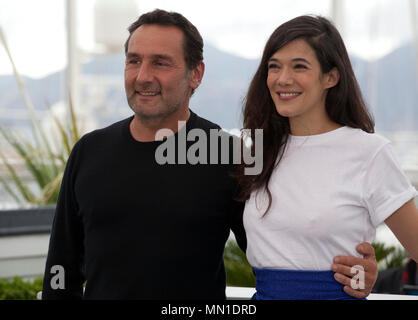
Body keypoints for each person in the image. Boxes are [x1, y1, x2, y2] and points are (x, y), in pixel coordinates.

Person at [42, 10, 377, 300]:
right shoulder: (89, 151)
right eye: (134, 61)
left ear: (196, 74)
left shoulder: (228, 155)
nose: (143, 76)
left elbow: (285, 246)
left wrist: (356, 272)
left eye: (161, 63)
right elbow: (62, 265)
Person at [236, 15, 418, 300]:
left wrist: (364, 275)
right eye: (274, 66)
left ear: (331, 77)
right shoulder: (261, 151)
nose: (283, 79)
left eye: (299, 66)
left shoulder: (369, 153)